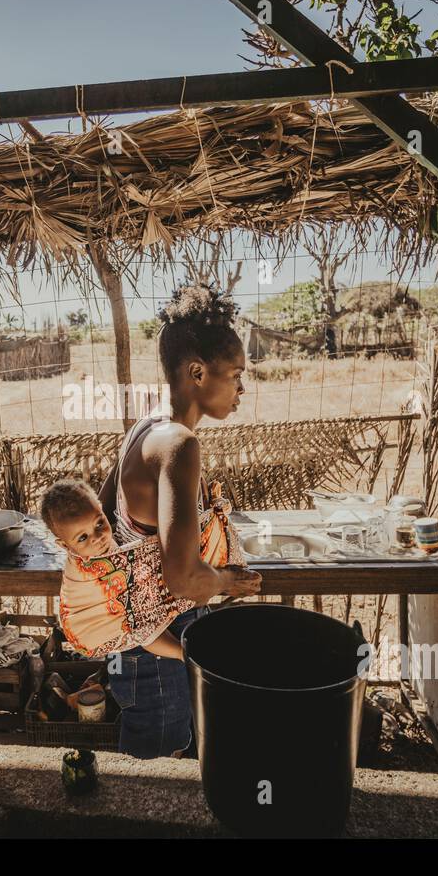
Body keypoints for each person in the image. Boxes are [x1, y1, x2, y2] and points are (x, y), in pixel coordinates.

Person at [94, 284, 263, 758]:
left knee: (156, 762)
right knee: (157, 772)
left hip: (138, 633)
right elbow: (184, 578)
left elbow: (104, 511)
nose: (241, 389)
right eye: (235, 374)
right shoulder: (180, 446)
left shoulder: (145, 428)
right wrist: (229, 581)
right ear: (196, 372)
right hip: (157, 643)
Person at [40, 478, 243, 662]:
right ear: (64, 546)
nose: (97, 537)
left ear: (101, 509)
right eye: (82, 538)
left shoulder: (109, 540)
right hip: (124, 639)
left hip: (137, 636)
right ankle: (183, 654)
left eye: (99, 523)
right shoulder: (92, 569)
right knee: (141, 625)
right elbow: (136, 621)